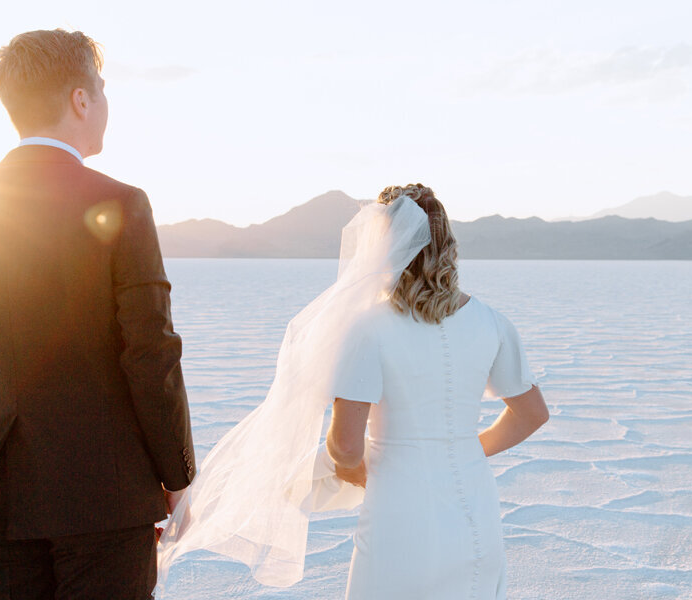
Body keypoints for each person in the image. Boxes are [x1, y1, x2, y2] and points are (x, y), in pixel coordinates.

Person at [157, 184, 548, 600]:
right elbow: (531, 414)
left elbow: (345, 446)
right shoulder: (492, 322)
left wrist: (348, 469)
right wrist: (461, 449)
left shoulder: (367, 328)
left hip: (401, 510)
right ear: (446, 242)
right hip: (475, 510)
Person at [0, 29, 195, 599]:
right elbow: (151, 351)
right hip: (106, 501)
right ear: (80, 100)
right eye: (102, 88)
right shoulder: (122, 203)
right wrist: (178, 475)